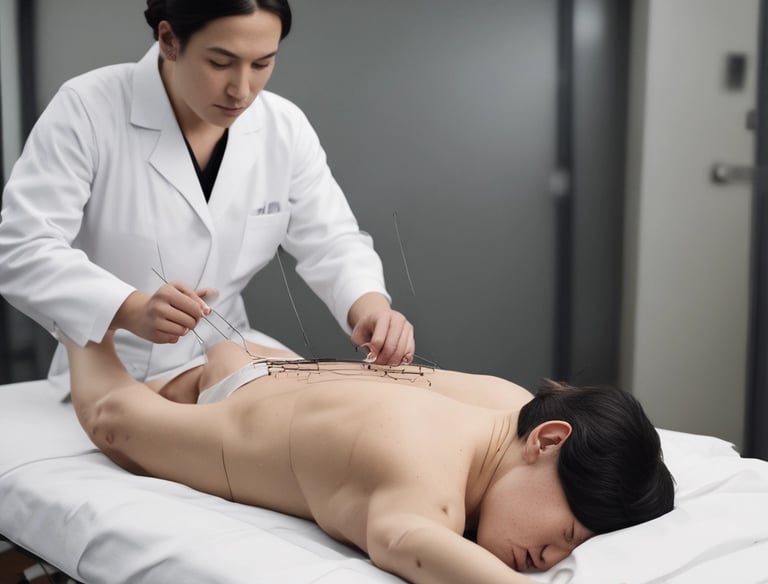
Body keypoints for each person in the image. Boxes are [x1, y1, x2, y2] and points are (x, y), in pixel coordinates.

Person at [0, 0, 414, 398]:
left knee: (356, 408)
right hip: (109, 365)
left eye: (262, 64)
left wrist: (372, 310)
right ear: (169, 40)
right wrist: (132, 309)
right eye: (220, 63)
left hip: (228, 357)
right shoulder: (88, 109)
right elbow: (23, 250)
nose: (242, 89)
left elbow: (332, 242)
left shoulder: (282, 127)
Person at [65, 334, 675, 584]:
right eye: (566, 532)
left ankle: (207, 366)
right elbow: (401, 538)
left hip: (269, 367)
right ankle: (78, 317)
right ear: (547, 441)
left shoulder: (512, 402)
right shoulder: (422, 472)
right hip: (242, 419)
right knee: (114, 420)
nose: (551, 558)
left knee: (227, 358)